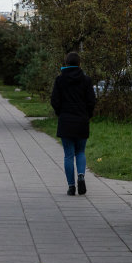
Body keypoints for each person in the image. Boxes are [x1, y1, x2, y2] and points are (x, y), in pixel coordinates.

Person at [50, 52, 97, 196]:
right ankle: (81, 175)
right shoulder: (86, 80)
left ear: (66, 63)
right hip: (82, 120)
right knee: (81, 151)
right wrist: (87, 115)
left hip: (66, 120)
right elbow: (91, 100)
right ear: (79, 64)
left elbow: (54, 100)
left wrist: (60, 113)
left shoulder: (60, 80)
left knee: (68, 155)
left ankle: (71, 186)